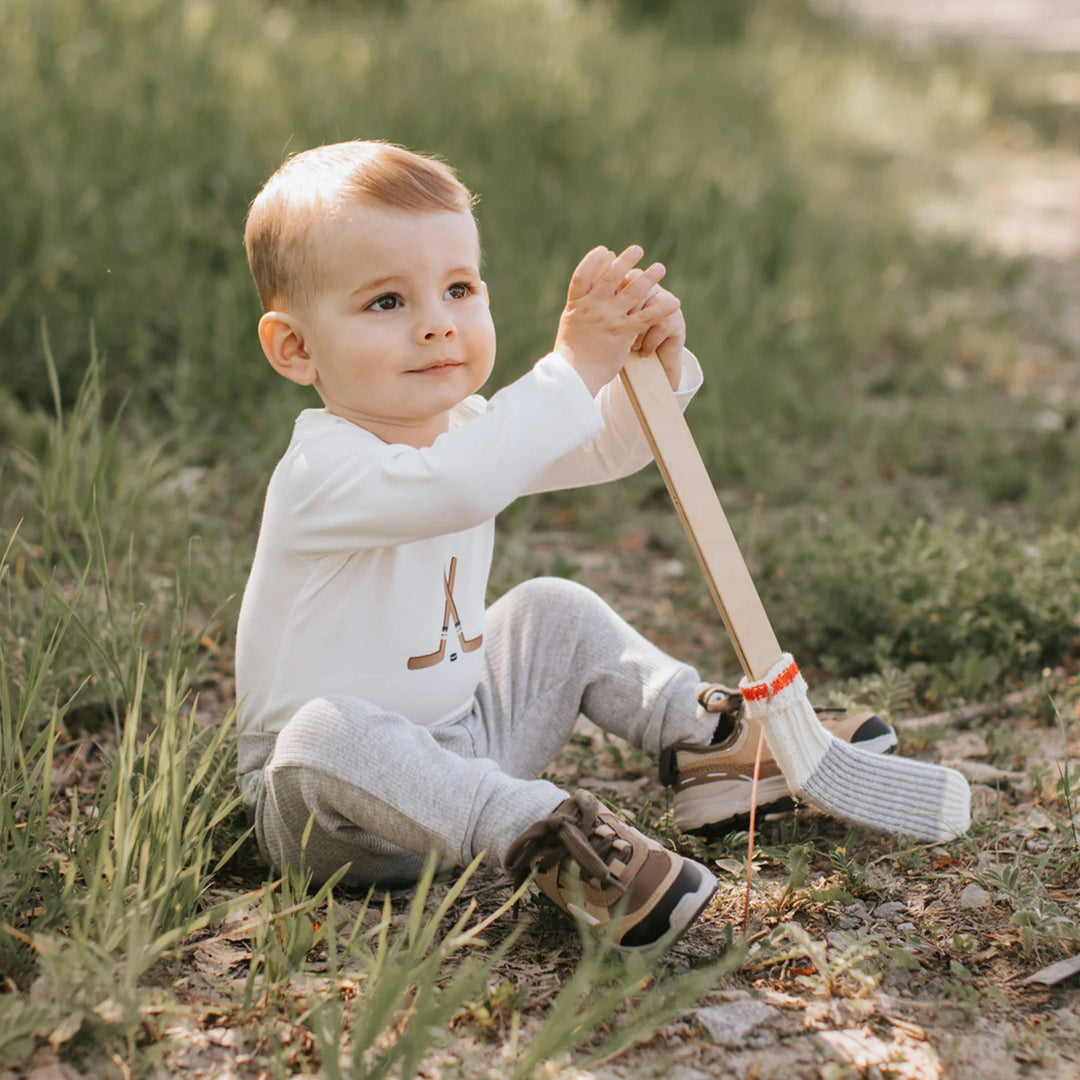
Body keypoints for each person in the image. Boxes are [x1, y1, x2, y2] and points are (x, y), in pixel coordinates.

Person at [235, 140, 894, 955]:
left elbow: (608, 448)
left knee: (552, 607)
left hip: (468, 743)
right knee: (322, 731)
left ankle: (711, 752)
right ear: (296, 348)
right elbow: (462, 484)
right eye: (385, 303)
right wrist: (569, 364)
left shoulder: (472, 432)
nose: (438, 320)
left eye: (458, 288)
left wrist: (641, 368)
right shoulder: (322, 470)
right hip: (332, 812)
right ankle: (544, 831)